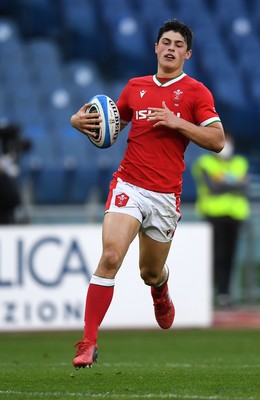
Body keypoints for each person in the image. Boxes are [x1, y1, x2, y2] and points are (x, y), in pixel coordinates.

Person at [70, 19, 225, 369]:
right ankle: (88, 342)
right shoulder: (135, 87)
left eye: (177, 45)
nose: (170, 48)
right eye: (165, 42)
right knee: (110, 256)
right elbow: (110, 125)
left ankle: (160, 288)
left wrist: (177, 122)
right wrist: (78, 123)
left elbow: (217, 141)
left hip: (165, 196)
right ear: (156, 48)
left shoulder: (196, 92)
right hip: (129, 185)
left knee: (149, 273)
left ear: (187, 54)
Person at [191, 133, 250, 308]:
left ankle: (224, 295)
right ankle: (209, 294)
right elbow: (214, 187)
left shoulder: (240, 163)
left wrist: (224, 181)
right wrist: (234, 183)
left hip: (235, 216)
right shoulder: (204, 163)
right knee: (215, 256)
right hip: (213, 216)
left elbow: (244, 186)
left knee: (230, 257)